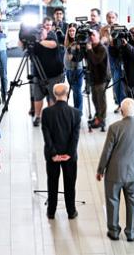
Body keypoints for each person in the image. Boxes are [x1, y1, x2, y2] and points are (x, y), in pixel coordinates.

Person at [96, 98, 134, 241]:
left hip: (114, 173)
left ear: (121, 111)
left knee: (112, 200)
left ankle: (114, 231)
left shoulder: (114, 128)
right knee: (132, 202)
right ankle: (131, 233)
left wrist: (100, 170)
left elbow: (107, 151)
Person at [41, 83, 81, 219]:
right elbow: (75, 137)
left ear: (54, 94)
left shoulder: (46, 113)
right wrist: (68, 154)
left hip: (52, 156)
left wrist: (54, 154)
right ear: (68, 93)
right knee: (70, 184)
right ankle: (71, 211)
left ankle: (51, 211)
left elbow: (47, 137)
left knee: (52, 182)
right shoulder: (75, 113)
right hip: (69, 157)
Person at [32, 17, 65, 127]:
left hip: (54, 72)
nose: (48, 27)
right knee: (38, 96)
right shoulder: (36, 35)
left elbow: (53, 45)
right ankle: (37, 116)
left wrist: (39, 40)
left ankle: (51, 117)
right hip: (38, 72)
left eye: (50, 25)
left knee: (52, 96)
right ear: (42, 25)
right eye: (46, 25)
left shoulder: (52, 35)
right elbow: (21, 46)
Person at [100, 11, 126, 113]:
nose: (111, 19)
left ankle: (121, 104)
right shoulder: (103, 29)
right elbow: (101, 42)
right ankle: (115, 102)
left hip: (117, 57)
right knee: (107, 83)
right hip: (106, 57)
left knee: (117, 82)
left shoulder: (120, 28)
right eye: (109, 17)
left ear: (116, 18)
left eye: (113, 17)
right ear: (106, 18)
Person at [85, 30, 110, 129]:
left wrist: (90, 50)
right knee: (94, 98)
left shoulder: (102, 48)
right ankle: (97, 116)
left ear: (98, 36)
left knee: (101, 99)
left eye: (94, 35)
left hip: (102, 77)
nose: (91, 37)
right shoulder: (90, 47)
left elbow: (96, 61)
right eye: (90, 35)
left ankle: (102, 120)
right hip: (93, 77)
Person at [64, 23, 84, 114]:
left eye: (73, 31)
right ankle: (76, 110)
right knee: (74, 90)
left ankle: (78, 111)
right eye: (70, 31)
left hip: (77, 69)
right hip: (68, 69)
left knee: (77, 91)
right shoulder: (67, 41)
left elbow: (79, 57)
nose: (71, 33)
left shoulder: (79, 42)